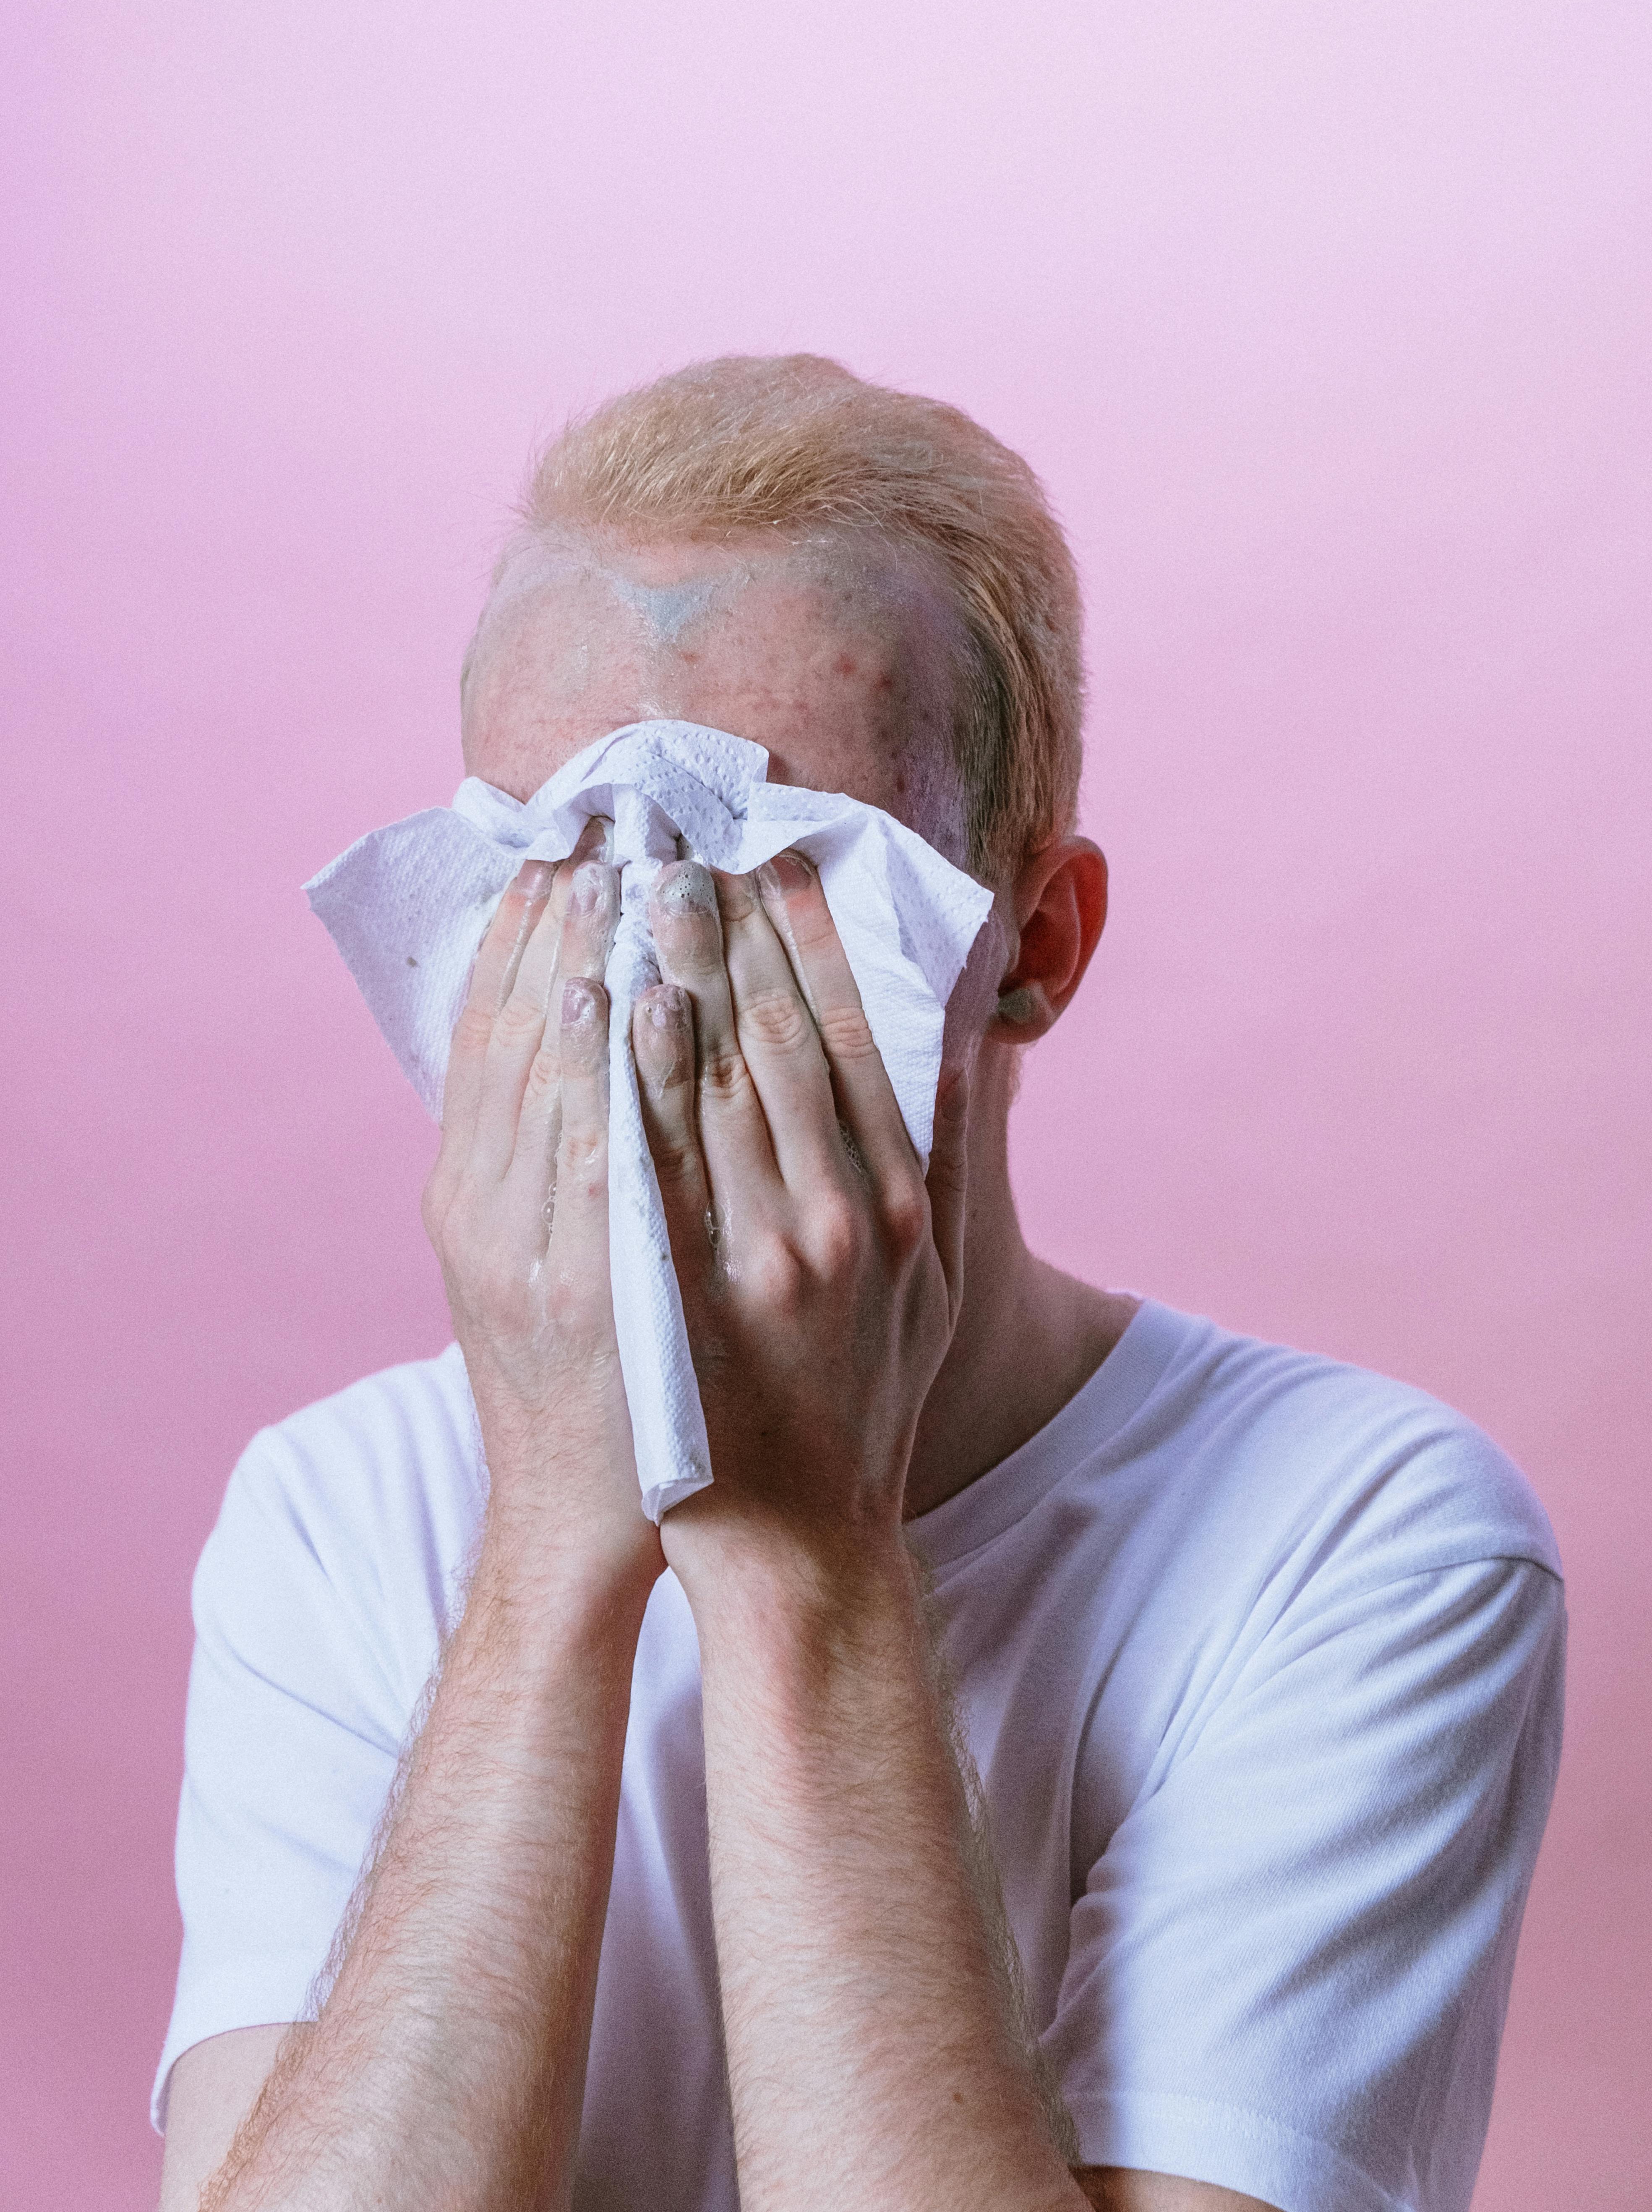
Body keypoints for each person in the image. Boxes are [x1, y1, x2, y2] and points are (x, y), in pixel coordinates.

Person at [154, 356, 1563, 2212]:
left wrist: (802, 1551)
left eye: (771, 852)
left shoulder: (1362, 1542)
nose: (647, 943)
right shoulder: (337, 1519)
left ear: (1030, 943)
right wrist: (551, 1553)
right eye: (553, 851)